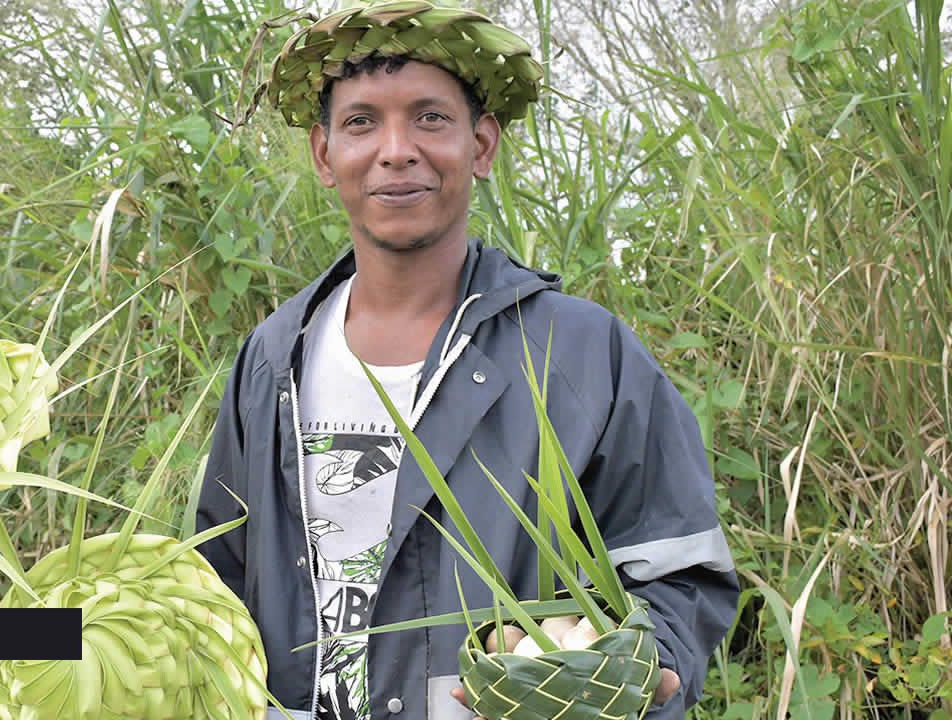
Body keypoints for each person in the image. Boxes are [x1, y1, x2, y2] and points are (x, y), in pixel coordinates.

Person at [195, 3, 739, 719]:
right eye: (361, 122)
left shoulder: (580, 354)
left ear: (481, 145)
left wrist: (645, 673)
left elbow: (680, 576)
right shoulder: (274, 359)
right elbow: (213, 584)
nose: (396, 150)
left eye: (430, 118)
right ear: (324, 155)